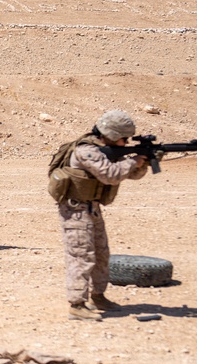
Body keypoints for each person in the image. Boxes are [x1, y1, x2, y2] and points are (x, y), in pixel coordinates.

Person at [57, 110, 148, 322]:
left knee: (101, 255)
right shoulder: (87, 151)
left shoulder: (104, 151)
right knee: (81, 256)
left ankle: (98, 296)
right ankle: (77, 305)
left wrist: (144, 162)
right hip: (76, 211)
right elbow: (110, 175)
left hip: (92, 209)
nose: (126, 143)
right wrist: (133, 161)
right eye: (124, 138)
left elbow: (130, 174)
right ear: (113, 135)